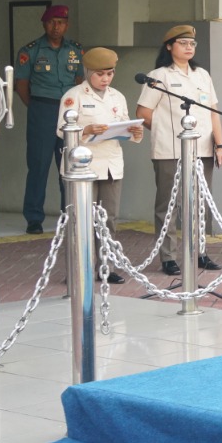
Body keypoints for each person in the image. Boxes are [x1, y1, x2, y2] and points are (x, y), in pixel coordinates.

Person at [135, 25, 222, 277]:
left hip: (203, 149)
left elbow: (213, 112)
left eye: (192, 44)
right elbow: (143, 114)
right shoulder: (159, 76)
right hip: (170, 150)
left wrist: (220, 144)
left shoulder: (202, 75)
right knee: (169, 205)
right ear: (169, 46)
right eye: (183, 42)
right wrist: (164, 131)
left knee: (199, 204)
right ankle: (168, 257)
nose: (189, 47)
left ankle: (199, 253)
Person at [57, 47, 143, 284]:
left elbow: (125, 126)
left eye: (110, 73)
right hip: (84, 166)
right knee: (81, 219)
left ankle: (107, 266)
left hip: (111, 163)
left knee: (109, 219)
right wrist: (85, 130)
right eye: (100, 74)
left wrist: (134, 131)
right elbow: (60, 130)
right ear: (88, 72)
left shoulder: (117, 96)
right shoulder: (74, 96)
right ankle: (78, 268)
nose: (106, 79)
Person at [14, 5, 85, 234]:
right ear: (44, 24)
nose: (57, 27)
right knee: (39, 165)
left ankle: (70, 214)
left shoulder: (75, 50)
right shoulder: (31, 51)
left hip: (69, 113)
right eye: (52, 22)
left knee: (68, 165)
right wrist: (36, 106)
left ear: (67, 25)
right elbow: (21, 85)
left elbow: (79, 80)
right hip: (42, 109)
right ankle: (34, 218)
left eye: (61, 22)